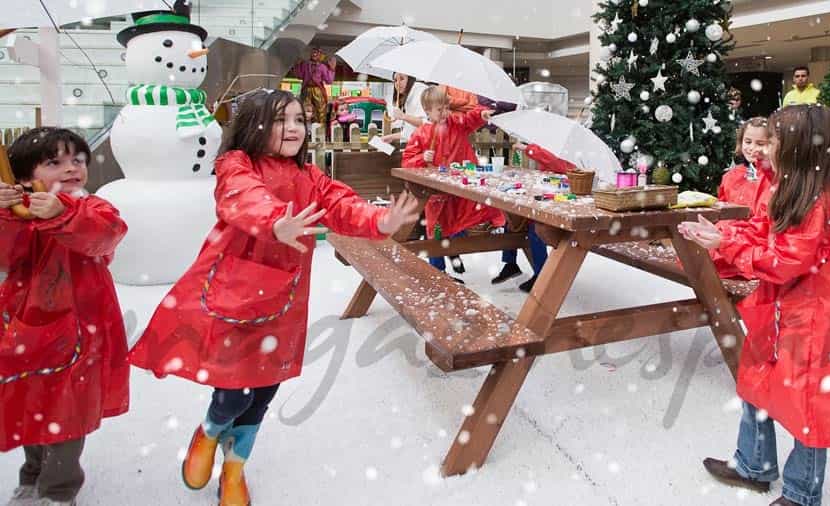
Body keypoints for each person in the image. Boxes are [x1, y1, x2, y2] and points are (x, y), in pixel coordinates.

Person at [127, 90, 421, 506]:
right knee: (235, 390)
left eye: (300, 120)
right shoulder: (236, 164)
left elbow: (339, 203)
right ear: (254, 125)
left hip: (284, 298)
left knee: (264, 391)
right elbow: (242, 196)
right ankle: (209, 431)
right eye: (281, 119)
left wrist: (379, 219)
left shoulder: (309, 176)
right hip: (233, 294)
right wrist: (275, 220)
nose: (294, 128)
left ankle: (234, 469)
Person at [679, 105, 830, 506]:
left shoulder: (817, 201)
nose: (765, 148)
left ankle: (801, 492)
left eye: (774, 140)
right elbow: (763, 228)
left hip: (818, 317)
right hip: (783, 309)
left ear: (798, 147)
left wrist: (728, 245)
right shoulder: (788, 187)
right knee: (757, 381)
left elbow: (785, 261)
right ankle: (754, 464)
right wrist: (723, 232)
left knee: (807, 402)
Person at [1, 127, 130, 506]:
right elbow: (8, 256)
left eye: (77, 159)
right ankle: (33, 474)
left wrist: (63, 213)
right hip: (26, 324)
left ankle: (58, 490)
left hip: (81, 327)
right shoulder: (17, 212)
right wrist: (7, 217)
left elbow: (107, 235)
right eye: (54, 162)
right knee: (31, 396)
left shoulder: (93, 206)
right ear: (25, 177)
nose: (71, 168)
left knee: (68, 409)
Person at [402, 86, 506, 281]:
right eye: (439, 110)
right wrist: (422, 157)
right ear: (427, 111)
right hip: (436, 195)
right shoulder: (421, 134)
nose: (444, 113)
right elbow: (407, 161)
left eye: (446, 108)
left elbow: (470, 118)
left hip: (461, 189)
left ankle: (455, 255)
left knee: (462, 221)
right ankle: (438, 272)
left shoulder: (457, 123)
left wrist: (481, 113)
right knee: (436, 231)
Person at [492, 142, 572, 291]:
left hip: (560, 205)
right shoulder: (557, 148)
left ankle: (541, 275)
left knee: (535, 229)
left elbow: (554, 163)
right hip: (546, 198)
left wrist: (528, 149)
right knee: (512, 222)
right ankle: (510, 264)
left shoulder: (569, 153)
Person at [291, 47, 337, 126]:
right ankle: (304, 127)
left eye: (317, 52)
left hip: (318, 90)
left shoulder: (322, 67)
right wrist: (297, 65)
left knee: (320, 110)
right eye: (313, 52)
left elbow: (329, 81)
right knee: (304, 109)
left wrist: (332, 69)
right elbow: (299, 76)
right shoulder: (305, 64)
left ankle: (320, 129)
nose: (314, 54)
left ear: (320, 55)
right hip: (306, 89)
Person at [381, 72, 428, 145]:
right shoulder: (408, 96)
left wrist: (403, 116)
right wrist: (391, 137)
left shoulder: (420, 92)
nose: (397, 83)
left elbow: (425, 125)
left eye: (402, 79)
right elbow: (410, 131)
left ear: (410, 79)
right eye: (395, 80)